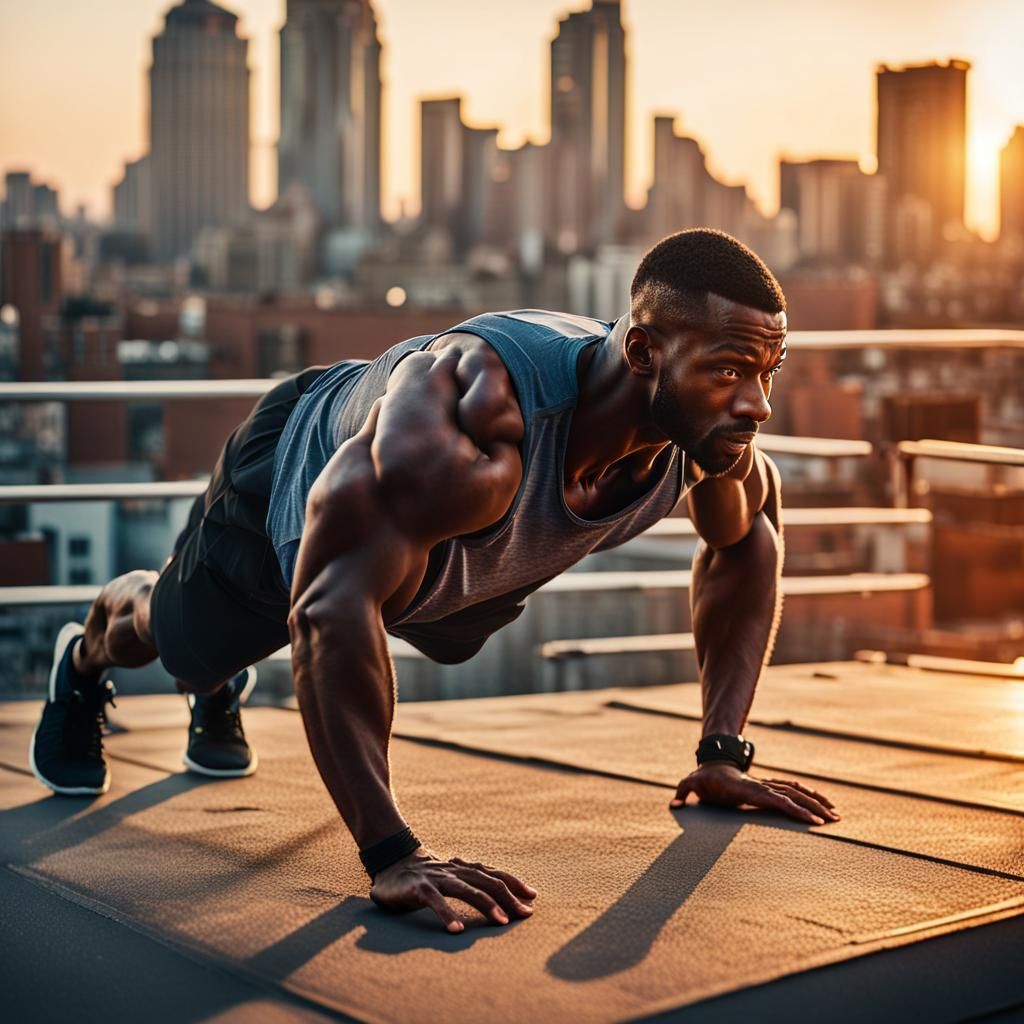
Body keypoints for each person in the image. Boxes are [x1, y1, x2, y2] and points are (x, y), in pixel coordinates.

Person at [29, 229, 839, 933]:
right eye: (731, 371)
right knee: (181, 648)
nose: (758, 404)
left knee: (406, 606)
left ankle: (222, 665)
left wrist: (722, 752)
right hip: (293, 476)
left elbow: (750, 542)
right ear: (643, 354)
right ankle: (90, 651)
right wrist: (392, 853)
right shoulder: (470, 428)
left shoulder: (701, 439)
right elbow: (326, 606)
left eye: (768, 371)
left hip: (430, 567)